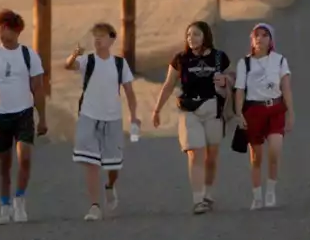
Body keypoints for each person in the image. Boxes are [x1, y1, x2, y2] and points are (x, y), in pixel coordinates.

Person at [151, 20, 232, 214]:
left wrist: (226, 80)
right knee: (195, 153)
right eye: (188, 35)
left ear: (205, 36)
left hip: (213, 109)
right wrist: (157, 110)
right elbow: (169, 84)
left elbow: (232, 80)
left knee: (211, 156)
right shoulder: (181, 59)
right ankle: (198, 199)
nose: (191, 38)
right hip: (189, 111)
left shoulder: (219, 57)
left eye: (195, 34)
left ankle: (208, 194)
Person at [0, 9, 47, 224]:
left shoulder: (29, 55)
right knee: (3, 164)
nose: (1, 32)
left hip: (23, 112)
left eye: (5, 28)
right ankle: (5, 206)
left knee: (24, 157)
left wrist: (42, 117)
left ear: (16, 30)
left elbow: (38, 87)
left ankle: (20, 200)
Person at [64, 22, 138, 221]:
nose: (98, 39)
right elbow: (69, 65)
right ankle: (94, 206)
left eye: (102, 36)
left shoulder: (119, 64)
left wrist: (133, 115)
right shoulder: (88, 60)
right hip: (88, 115)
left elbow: (129, 92)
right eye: (95, 36)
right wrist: (74, 54)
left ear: (112, 40)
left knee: (113, 164)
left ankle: (110, 185)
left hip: (112, 118)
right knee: (91, 162)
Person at [233, 22, 293, 210]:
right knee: (256, 156)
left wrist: (291, 112)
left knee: (274, 150)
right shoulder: (245, 63)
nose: (260, 38)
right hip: (254, 111)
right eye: (256, 35)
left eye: (264, 35)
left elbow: (286, 88)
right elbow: (240, 90)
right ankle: (257, 195)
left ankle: (271, 192)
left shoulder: (280, 60)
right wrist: (239, 113)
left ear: (271, 39)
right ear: (252, 39)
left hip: (275, 109)